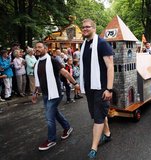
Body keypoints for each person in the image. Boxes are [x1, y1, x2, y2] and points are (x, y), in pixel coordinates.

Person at [32, 42, 80, 151]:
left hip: (55, 93)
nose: (37, 49)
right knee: (55, 113)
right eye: (36, 47)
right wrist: (35, 93)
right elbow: (37, 80)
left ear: (45, 48)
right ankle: (67, 128)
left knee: (49, 117)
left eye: (39, 47)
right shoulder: (37, 63)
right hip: (45, 94)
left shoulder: (53, 61)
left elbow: (66, 73)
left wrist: (75, 84)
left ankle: (51, 140)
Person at [79, 19, 114, 159]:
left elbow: (110, 67)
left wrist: (109, 89)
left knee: (98, 117)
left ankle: (93, 147)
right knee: (97, 113)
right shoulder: (84, 45)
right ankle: (107, 134)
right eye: (83, 27)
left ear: (94, 28)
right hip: (89, 87)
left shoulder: (102, 43)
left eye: (87, 27)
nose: (85, 29)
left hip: (101, 87)